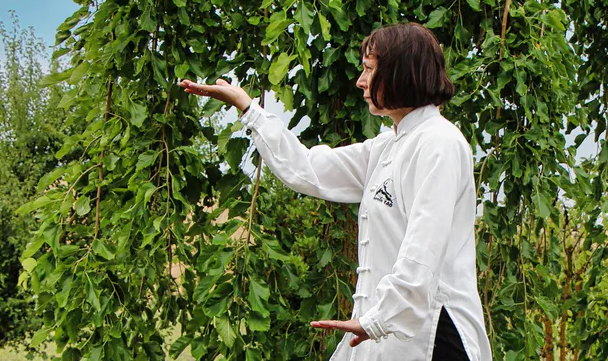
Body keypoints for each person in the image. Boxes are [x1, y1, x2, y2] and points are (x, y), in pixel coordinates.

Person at [180, 22, 492, 361]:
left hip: (435, 336)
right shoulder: (388, 146)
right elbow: (309, 170)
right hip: (383, 335)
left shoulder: (439, 143)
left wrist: (376, 320)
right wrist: (248, 108)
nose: (360, 81)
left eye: (370, 70)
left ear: (402, 74)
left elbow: (422, 252)